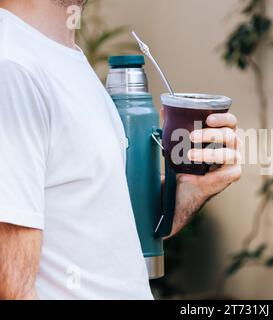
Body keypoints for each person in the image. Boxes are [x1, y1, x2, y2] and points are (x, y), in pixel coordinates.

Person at [0, 0, 241, 300]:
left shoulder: (61, 56)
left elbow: (101, 231)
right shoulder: (12, 67)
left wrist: (187, 194)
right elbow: (13, 290)